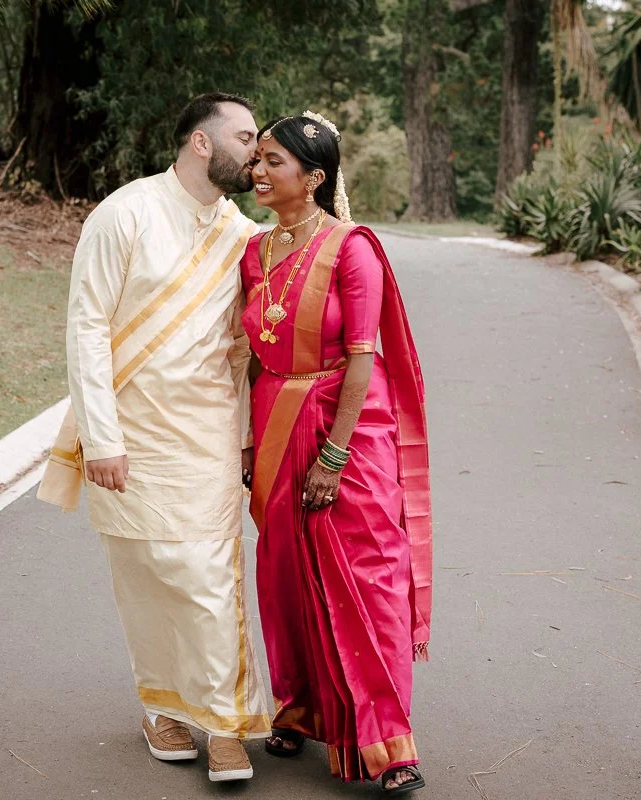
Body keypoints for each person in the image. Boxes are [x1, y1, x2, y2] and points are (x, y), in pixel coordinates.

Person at [37, 92, 272, 783]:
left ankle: (227, 725)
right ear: (201, 143)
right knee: (144, 578)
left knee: (207, 578)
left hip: (203, 435)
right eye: (246, 136)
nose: (256, 151)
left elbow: (238, 353)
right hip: (129, 434)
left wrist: (245, 440)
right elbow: (87, 326)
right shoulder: (125, 213)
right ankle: (161, 706)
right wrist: (101, 438)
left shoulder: (241, 236)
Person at [240, 111, 432, 795]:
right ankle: (298, 707)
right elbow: (251, 359)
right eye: (256, 159)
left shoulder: (352, 248)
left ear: (314, 177)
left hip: (345, 423)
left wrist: (334, 456)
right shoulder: (252, 251)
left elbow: (361, 357)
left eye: (273, 162)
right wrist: (247, 442)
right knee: (286, 571)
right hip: (274, 423)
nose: (257, 171)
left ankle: (389, 741)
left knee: (368, 571)